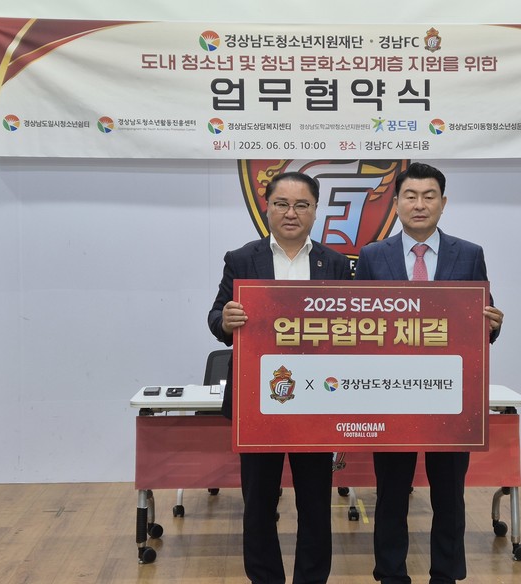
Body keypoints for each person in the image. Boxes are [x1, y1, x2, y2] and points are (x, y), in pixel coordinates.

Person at [354, 162, 504, 584]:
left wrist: (493, 323)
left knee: (449, 495)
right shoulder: (372, 256)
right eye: (410, 196)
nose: (419, 204)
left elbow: (482, 317)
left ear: (443, 202)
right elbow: (357, 325)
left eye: (429, 196)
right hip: (390, 394)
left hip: (449, 396)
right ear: (396, 203)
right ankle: (390, 573)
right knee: (391, 493)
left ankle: (446, 574)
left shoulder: (468, 253)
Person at [208, 171, 352, 584]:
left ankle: (311, 578)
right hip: (257, 403)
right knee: (258, 504)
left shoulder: (335, 264)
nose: (291, 213)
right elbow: (216, 316)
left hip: (317, 402)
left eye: (301, 205)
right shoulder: (241, 259)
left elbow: (353, 326)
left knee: (315, 504)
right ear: (267, 208)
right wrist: (226, 320)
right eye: (282, 204)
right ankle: (265, 578)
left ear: (315, 211)